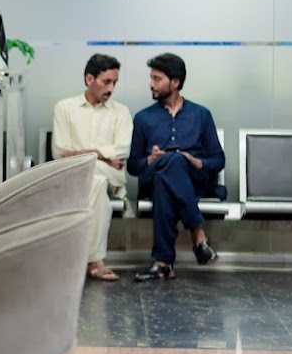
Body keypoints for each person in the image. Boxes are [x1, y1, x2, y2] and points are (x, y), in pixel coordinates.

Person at [127, 53, 225, 281]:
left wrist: (198, 162)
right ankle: (198, 234)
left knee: (173, 168)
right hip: (154, 179)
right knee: (170, 166)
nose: (151, 84)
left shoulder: (201, 115)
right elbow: (132, 166)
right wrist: (150, 160)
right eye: (151, 78)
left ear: (175, 82)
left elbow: (218, 160)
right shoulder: (143, 118)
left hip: (193, 182)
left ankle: (164, 263)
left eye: (157, 78)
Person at [52, 54, 133, 281]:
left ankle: (74, 259)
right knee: (97, 181)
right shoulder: (64, 108)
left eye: (114, 82)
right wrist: (103, 156)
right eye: (106, 82)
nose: (111, 88)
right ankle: (95, 261)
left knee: (96, 174)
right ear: (89, 79)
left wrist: (86, 154)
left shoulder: (121, 112)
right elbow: (60, 152)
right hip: (76, 175)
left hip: (111, 177)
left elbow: (123, 150)